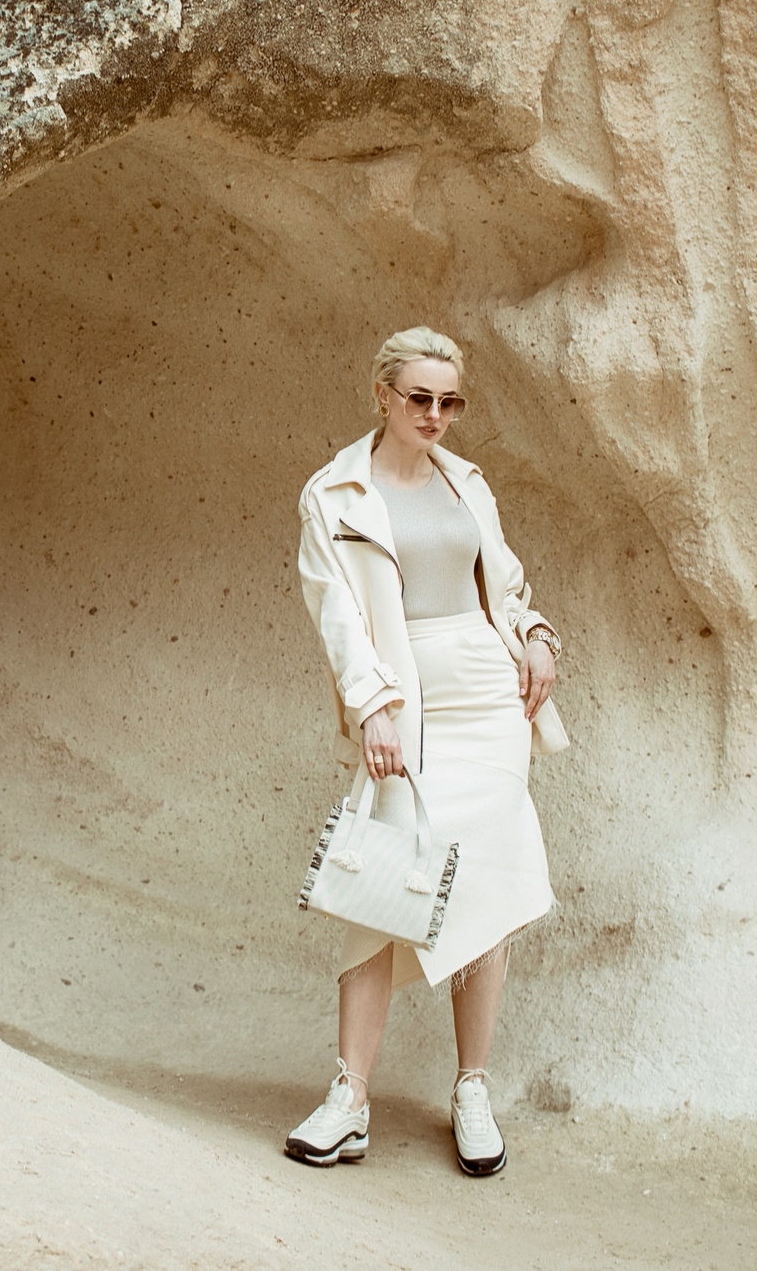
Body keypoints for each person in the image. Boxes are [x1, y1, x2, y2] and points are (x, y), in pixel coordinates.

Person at [286, 326, 562, 1176]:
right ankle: (349, 1095)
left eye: (450, 400)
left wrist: (536, 632)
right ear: (382, 395)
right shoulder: (334, 494)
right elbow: (337, 616)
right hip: (404, 697)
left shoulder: (465, 482)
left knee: (484, 880)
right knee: (382, 883)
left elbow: (502, 582)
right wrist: (372, 706)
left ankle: (471, 1088)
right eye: (420, 398)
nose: (436, 415)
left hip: (487, 696)